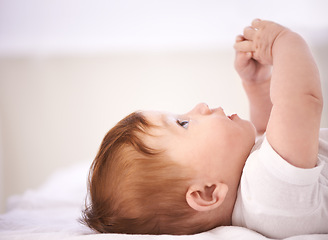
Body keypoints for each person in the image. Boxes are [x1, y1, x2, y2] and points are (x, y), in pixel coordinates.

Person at [81, 19, 328, 238]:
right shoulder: (268, 194)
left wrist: (258, 83)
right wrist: (283, 42)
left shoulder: (253, 194)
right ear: (207, 192)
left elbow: (270, 131)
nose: (199, 106)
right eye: (183, 123)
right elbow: (299, 104)